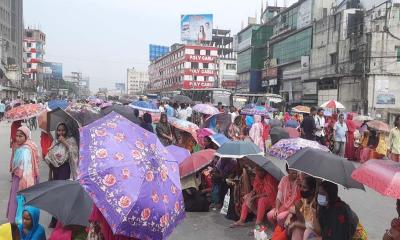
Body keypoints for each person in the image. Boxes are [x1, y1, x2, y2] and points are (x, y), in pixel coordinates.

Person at [7, 126, 40, 223]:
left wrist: (24, 183)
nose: (18, 138)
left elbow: (26, 168)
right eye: (16, 136)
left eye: (20, 136)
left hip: (23, 179)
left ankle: (20, 221)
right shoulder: (25, 146)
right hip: (20, 177)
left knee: (19, 200)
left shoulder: (25, 149)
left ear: (26, 137)